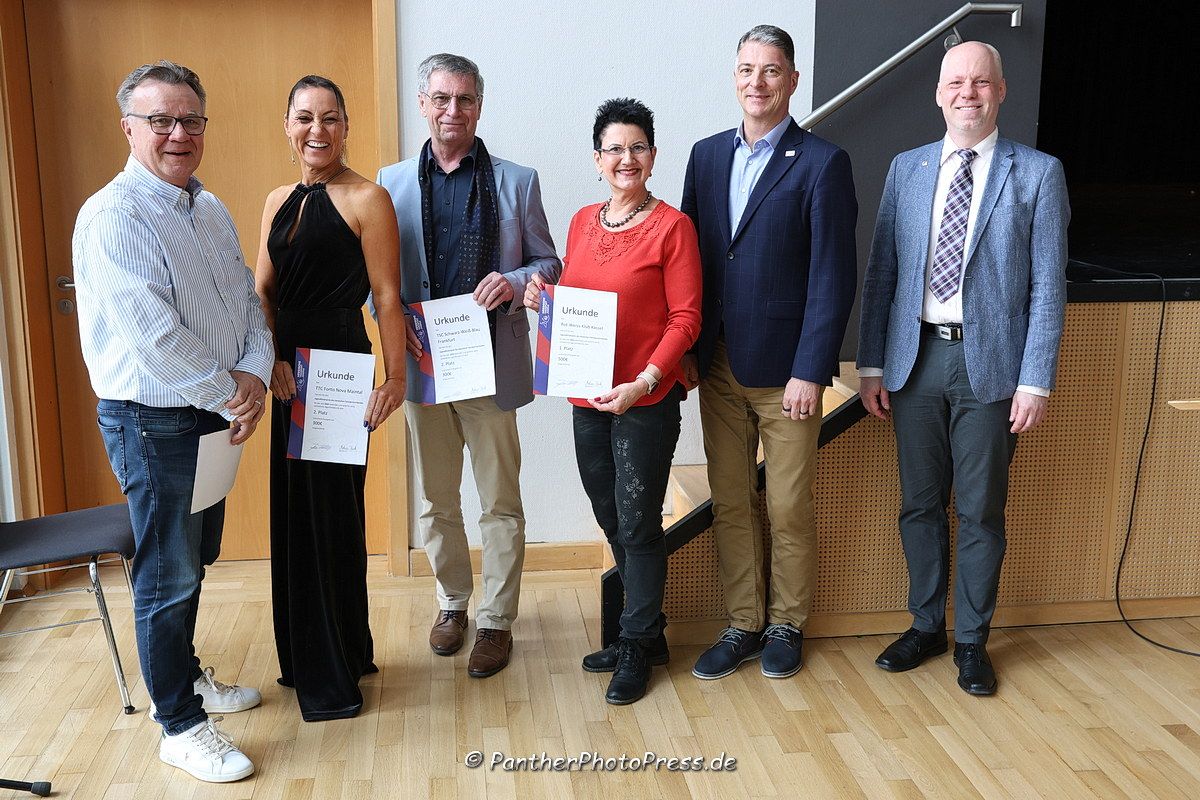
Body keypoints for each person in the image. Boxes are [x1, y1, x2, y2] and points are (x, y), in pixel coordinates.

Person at [73, 60, 271, 783]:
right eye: (160, 120)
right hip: (152, 419)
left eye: (191, 120)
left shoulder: (207, 207)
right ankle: (179, 725)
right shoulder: (115, 215)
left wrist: (253, 370)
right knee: (167, 572)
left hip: (212, 413)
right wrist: (232, 393)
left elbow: (245, 300)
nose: (178, 133)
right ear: (129, 129)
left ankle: (185, 676)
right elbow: (153, 336)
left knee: (197, 555)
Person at [857, 42, 1069, 695]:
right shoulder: (908, 168)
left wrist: (1035, 379)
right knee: (919, 504)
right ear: (939, 93)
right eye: (956, 82)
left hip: (993, 368)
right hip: (914, 359)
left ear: (1000, 91)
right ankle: (926, 626)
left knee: (980, 509)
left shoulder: (1038, 173)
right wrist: (871, 363)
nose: (967, 93)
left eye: (980, 82)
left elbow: (1048, 285)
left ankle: (973, 640)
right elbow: (883, 273)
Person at [680, 25, 858, 681]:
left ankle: (786, 623)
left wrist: (812, 369)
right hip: (717, 362)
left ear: (792, 80)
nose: (757, 82)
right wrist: (687, 347)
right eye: (746, 69)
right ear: (734, 77)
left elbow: (833, 275)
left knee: (785, 506)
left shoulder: (822, 163)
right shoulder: (705, 156)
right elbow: (690, 261)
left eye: (771, 70)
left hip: (788, 374)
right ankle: (743, 623)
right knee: (730, 501)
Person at [377, 53, 561, 678]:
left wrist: (515, 282)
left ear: (479, 107)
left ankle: (497, 619)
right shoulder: (390, 183)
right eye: (441, 98)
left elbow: (549, 263)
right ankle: (453, 604)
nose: (452, 110)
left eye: (464, 99)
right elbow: (375, 278)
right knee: (436, 501)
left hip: (492, 364)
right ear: (423, 105)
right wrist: (393, 321)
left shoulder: (518, 181)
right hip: (424, 367)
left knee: (500, 501)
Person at [522, 98, 701, 704]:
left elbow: (686, 319)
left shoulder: (673, 228)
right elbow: (576, 301)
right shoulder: (581, 222)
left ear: (653, 155)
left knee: (639, 521)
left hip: (645, 398)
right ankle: (647, 634)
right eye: (615, 149)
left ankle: (636, 643)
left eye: (638, 147)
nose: (627, 158)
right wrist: (543, 301)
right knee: (609, 514)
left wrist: (645, 381)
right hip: (588, 396)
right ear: (597, 159)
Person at [255, 76, 405, 720]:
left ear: (346, 126)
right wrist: (269, 360)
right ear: (288, 126)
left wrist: (395, 379)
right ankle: (309, 657)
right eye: (304, 117)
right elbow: (263, 293)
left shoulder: (369, 198)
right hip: (288, 370)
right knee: (296, 514)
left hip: (339, 366)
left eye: (330, 117)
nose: (317, 130)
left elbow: (388, 297)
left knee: (333, 514)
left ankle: (334, 671)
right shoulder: (275, 199)